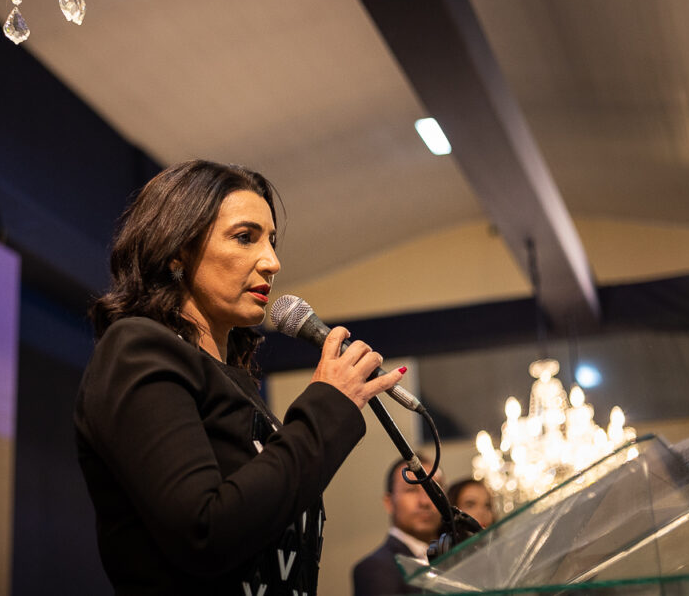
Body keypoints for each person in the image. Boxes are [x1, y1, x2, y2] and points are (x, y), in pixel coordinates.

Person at [73, 160, 406, 595]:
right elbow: (204, 532)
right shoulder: (137, 349)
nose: (273, 262)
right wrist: (326, 405)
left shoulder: (239, 386)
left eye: (272, 241)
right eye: (245, 237)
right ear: (177, 250)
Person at [352, 457, 444, 596]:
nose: (425, 501)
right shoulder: (375, 568)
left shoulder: (454, 555)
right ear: (389, 502)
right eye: (411, 490)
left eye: (433, 489)